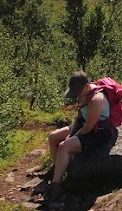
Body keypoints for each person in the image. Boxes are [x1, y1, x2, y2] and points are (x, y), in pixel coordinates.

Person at [43, 70, 116, 200]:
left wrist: (70, 138)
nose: (77, 95)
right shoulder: (84, 93)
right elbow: (79, 117)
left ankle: (56, 185)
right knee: (53, 137)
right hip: (84, 125)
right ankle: (57, 170)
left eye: (78, 92)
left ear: (86, 85)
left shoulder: (96, 99)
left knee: (64, 146)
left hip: (98, 132)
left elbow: (88, 128)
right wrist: (71, 133)